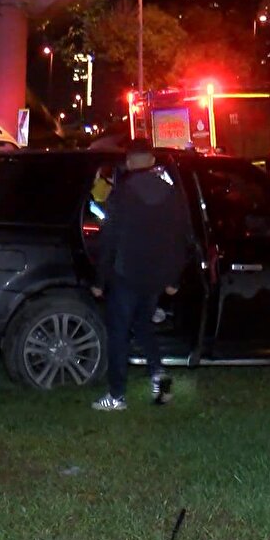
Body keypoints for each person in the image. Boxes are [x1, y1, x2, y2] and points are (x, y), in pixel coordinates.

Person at [90, 140, 192, 411]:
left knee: (119, 333)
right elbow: (182, 238)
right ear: (151, 161)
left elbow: (109, 239)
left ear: (131, 161)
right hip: (155, 276)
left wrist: (100, 281)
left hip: (126, 273)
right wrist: (173, 279)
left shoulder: (121, 194)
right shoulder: (171, 194)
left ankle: (117, 395)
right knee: (144, 325)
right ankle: (158, 375)